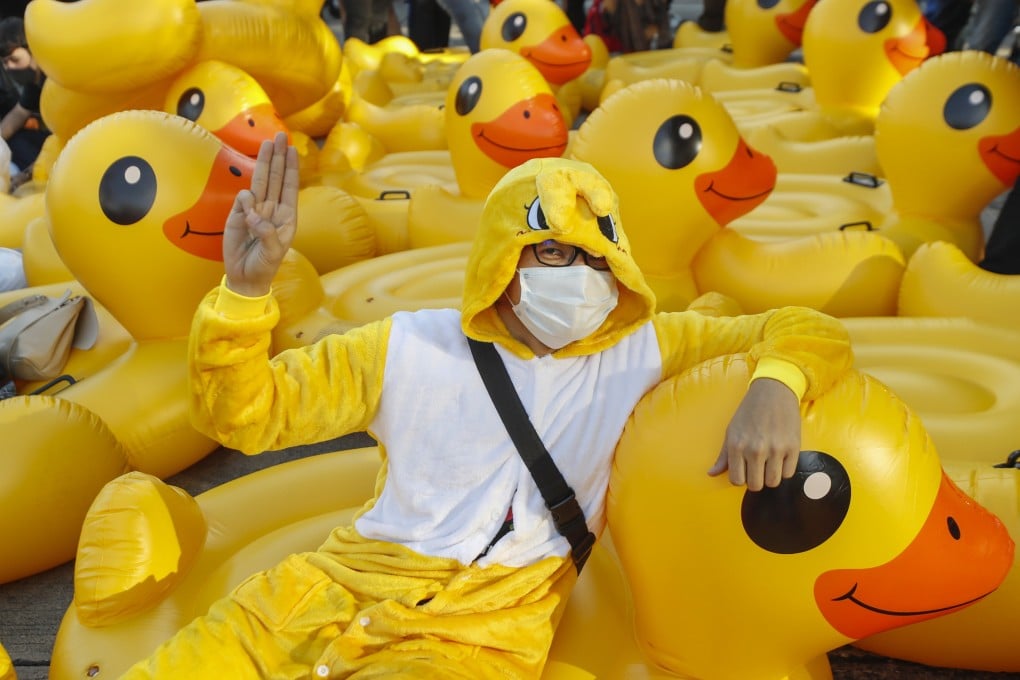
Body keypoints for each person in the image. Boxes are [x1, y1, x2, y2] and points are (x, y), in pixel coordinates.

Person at [122, 133, 853, 678]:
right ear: (505, 259)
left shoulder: (646, 350)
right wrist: (246, 295)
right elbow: (245, 416)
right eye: (558, 255)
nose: (586, 279)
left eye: (600, 259)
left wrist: (776, 384)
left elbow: (804, 327)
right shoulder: (406, 346)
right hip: (322, 592)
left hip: (478, 638)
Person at [0, 16, 49, 190]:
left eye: (14, 60)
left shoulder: (54, 78)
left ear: (32, 48)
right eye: (5, 63)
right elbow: (18, 115)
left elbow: (64, 137)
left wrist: (26, 175)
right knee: (14, 138)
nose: (9, 68)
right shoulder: (33, 84)